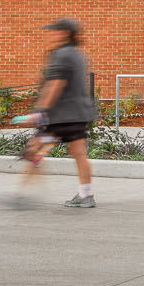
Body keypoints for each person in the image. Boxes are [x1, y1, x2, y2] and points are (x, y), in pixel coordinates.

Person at [16, 18, 98, 207]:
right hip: (78, 116)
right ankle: (86, 195)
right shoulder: (79, 54)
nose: (50, 33)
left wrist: (40, 111)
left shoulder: (60, 55)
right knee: (78, 153)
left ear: (65, 33)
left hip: (59, 118)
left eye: (54, 30)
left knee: (33, 150)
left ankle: (22, 196)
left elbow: (55, 84)